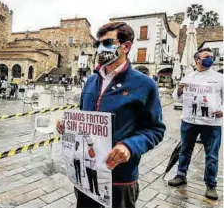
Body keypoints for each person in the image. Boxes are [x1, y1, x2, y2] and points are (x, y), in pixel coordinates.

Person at [57, 22, 165, 208]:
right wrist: (69, 124)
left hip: (120, 178)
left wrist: (130, 146)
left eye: (107, 43)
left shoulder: (145, 85)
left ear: (126, 46)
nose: (100, 48)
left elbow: (155, 129)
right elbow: (85, 116)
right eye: (97, 44)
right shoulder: (91, 81)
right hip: (86, 174)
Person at [168, 47, 223, 200]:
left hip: (212, 123)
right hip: (189, 120)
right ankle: (181, 175)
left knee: (212, 155)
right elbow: (177, 98)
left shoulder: (220, 78)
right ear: (197, 60)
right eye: (206, 56)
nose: (210, 58)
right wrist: (179, 89)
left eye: (211, 56)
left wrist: (222, 110)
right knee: (185, 150)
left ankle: (211, 185)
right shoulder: (188, 77)